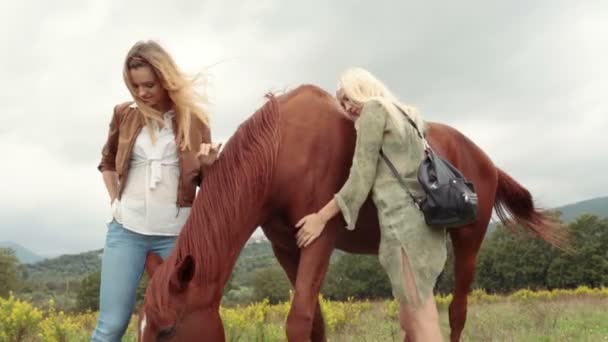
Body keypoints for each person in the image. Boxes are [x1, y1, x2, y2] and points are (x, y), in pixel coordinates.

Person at [295, 67, 446, 341]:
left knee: (420, 321)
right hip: (423, 225)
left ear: (360, 88)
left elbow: (360, 179)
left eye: (348, 98)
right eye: (340, 102)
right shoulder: (406, 114)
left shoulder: (374, 113)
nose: (346, 107)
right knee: (412, 317)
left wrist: (321, 217)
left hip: (404, 227)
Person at [92, 40, 221, 341]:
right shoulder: (124, 114)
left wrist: (211, 166)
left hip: (176, 237)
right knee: (110, 326)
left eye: (149, 85)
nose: (142, 93)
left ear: (166, 80)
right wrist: (115, 202)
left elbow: (207, 183)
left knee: (181, 325)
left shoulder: (195, 120)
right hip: (126, 232)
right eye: (135, 86)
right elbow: (108, 163)